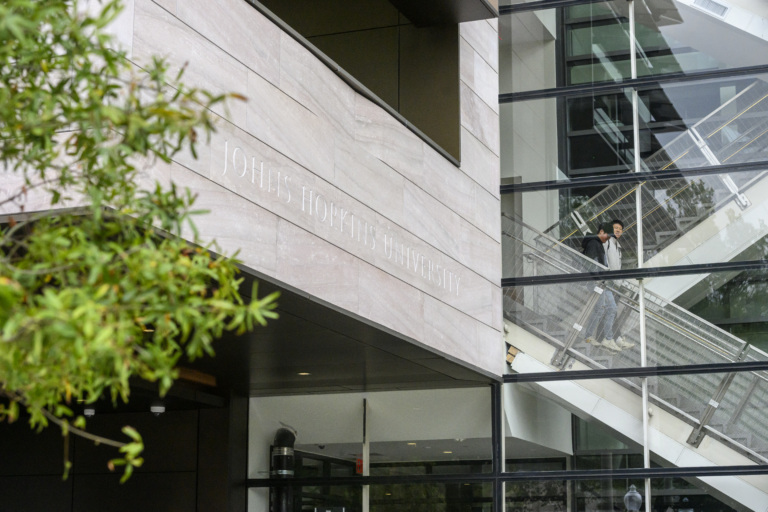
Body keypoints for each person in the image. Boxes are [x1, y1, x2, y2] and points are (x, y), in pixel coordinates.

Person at [581, 224, 622, 352]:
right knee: (601, 309)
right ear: (601, 231)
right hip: (597, 281)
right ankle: (589, 336)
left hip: (602, 282)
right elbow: (592, 263)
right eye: (607, 235)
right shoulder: (594, 243)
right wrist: (598, 279)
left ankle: (607, 339)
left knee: (611, 308)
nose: (608, 239)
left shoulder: (597, 243)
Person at [604, 219, 634, 349]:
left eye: (620, 229)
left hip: (615, 284)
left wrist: (619, 283)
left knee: (612, 312)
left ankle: (615, 338)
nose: (618, 230)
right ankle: (611, 338)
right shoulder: (607, 243)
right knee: (610, 311)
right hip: (608, 282)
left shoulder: (618, 247)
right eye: (615, 228)